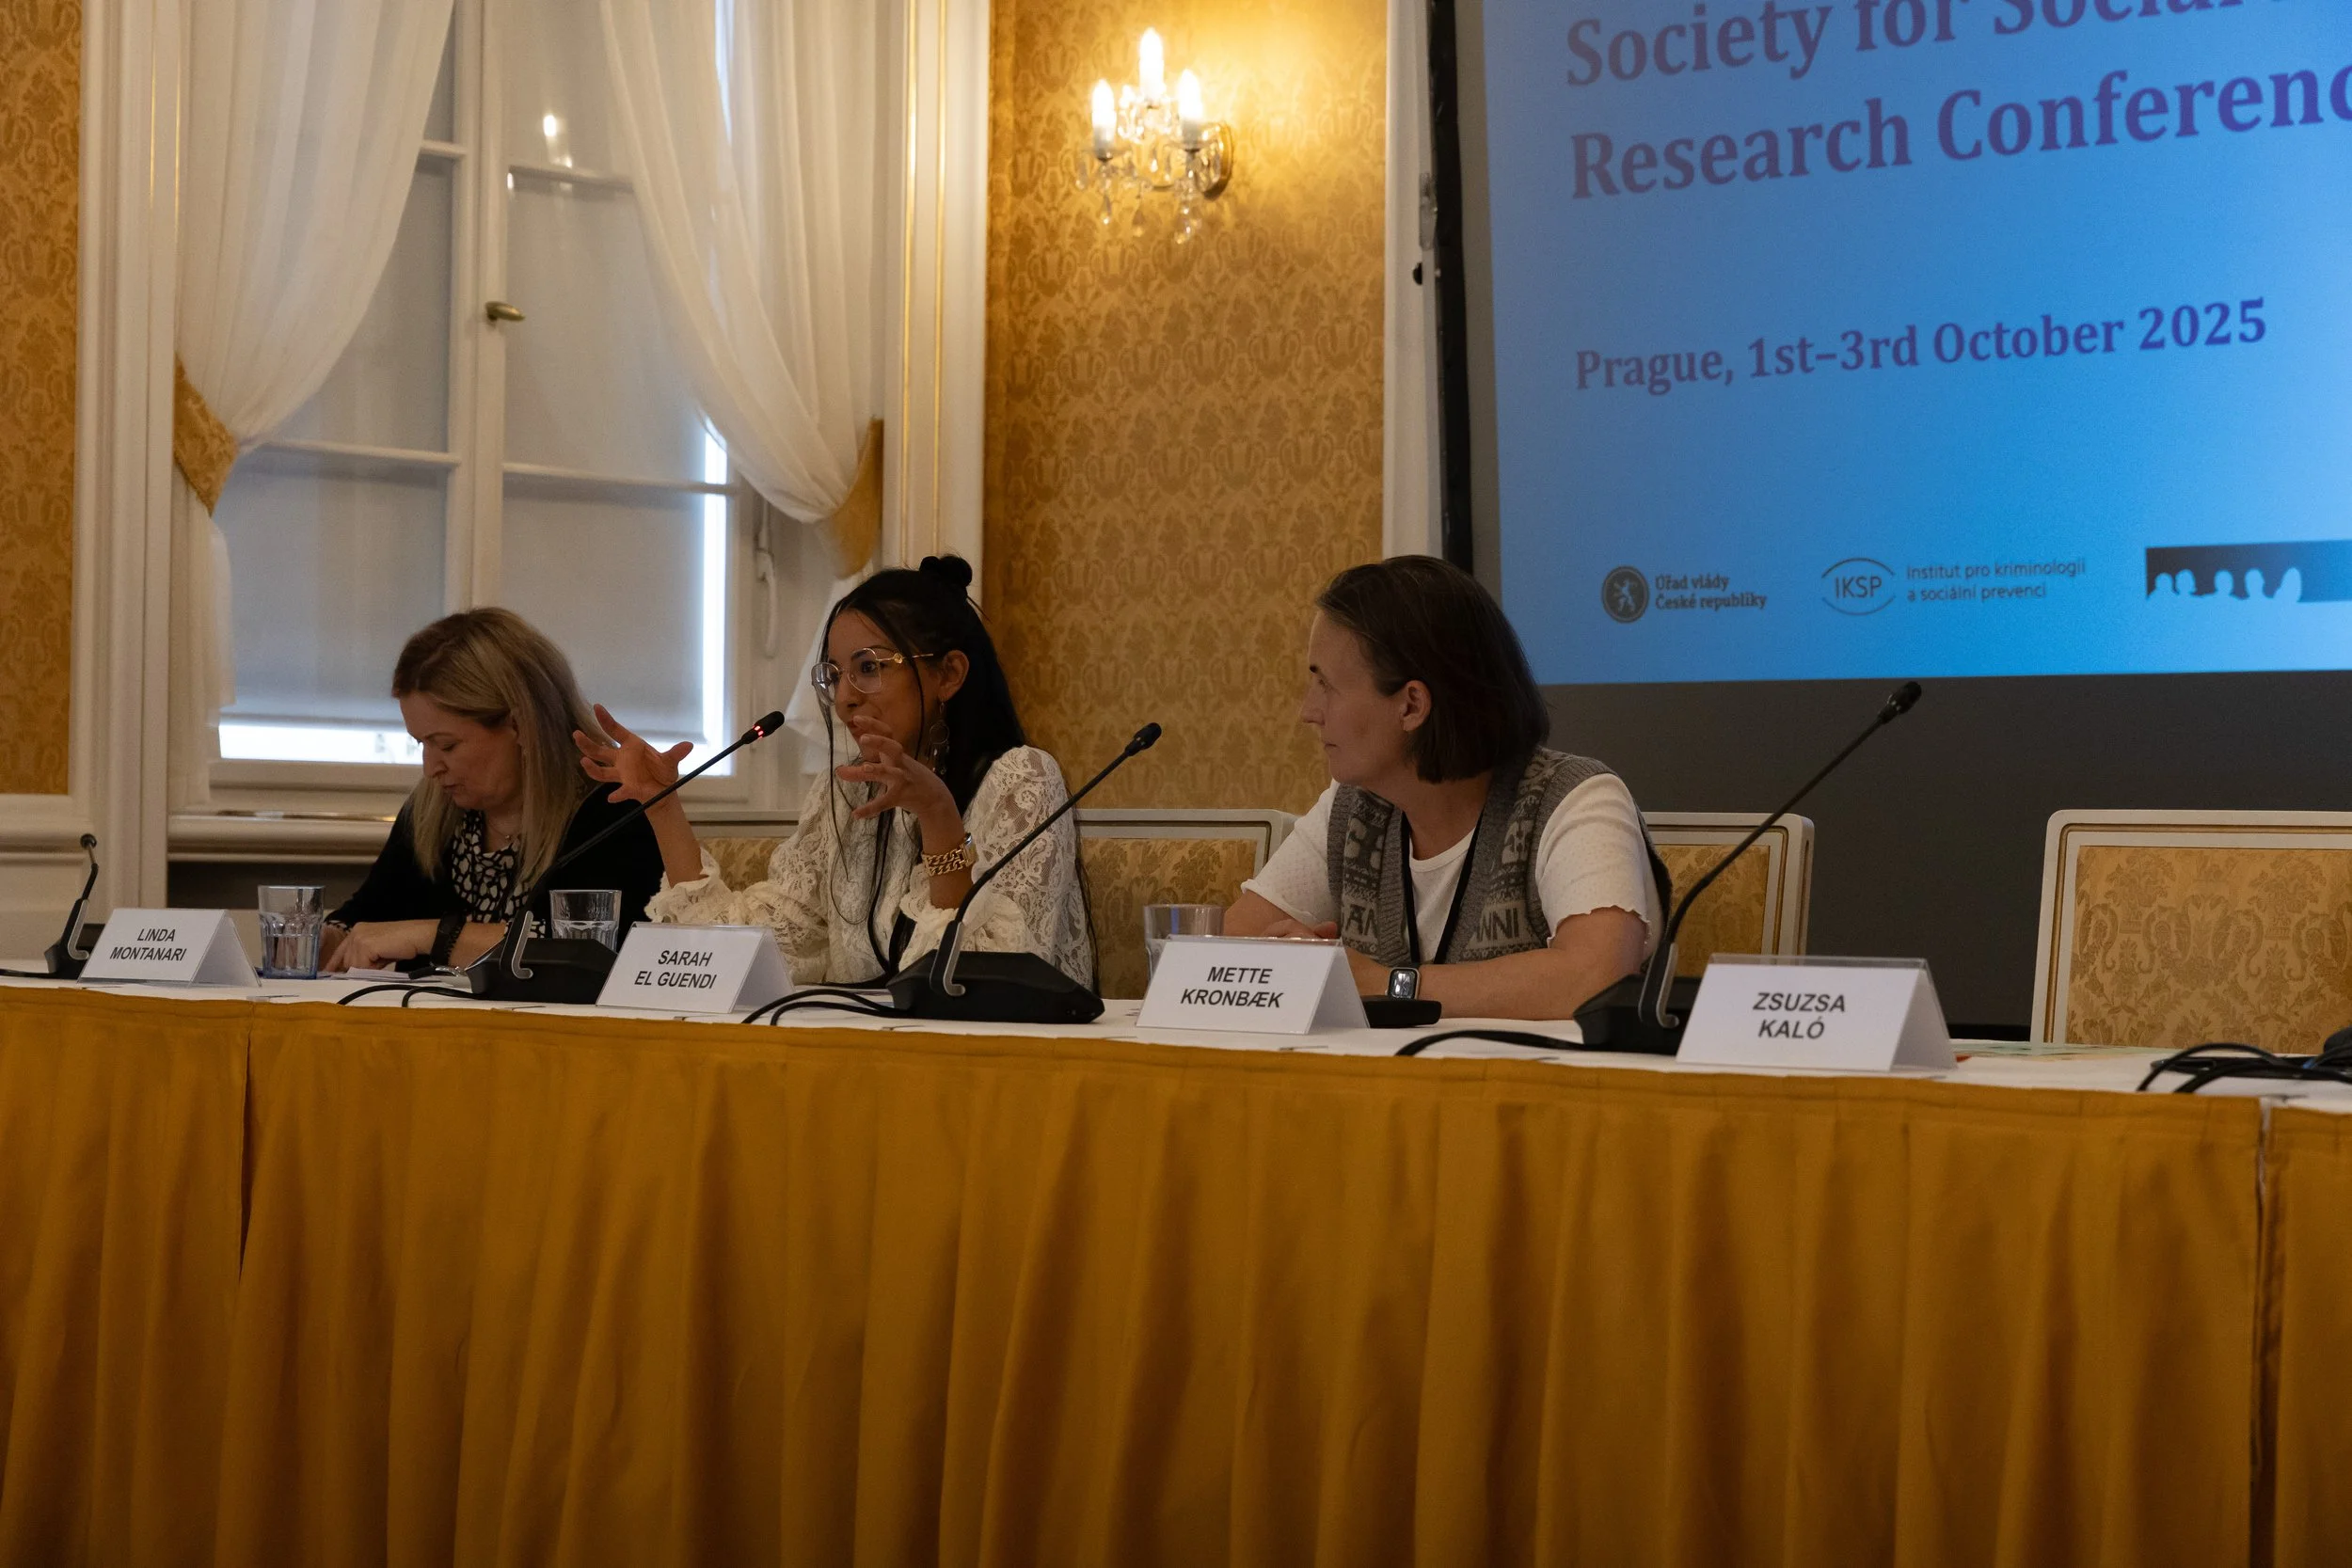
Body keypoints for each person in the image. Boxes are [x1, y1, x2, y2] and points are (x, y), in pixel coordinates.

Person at [580, 555, 1093, 987]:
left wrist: (938, 815)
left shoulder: (1022, 780)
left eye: (869, 667)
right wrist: (665, 808)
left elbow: (977, 979)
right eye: (834, 675)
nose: (845, 697)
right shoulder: (846, 795)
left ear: (950, 674)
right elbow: (746, 951)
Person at [1227, 557, 1666, 1020]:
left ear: (1411, 705)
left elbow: (1596, 978)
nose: (1308, 712)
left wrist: (1382, 984)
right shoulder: (1354, 809)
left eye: (1326, 685)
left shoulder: (1575, 799)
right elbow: (1217, 953)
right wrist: (1284, 960)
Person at [323, 608, 666, 973]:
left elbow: (588, 953)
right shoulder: (435, 811)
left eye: (447, 745)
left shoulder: (611, 810)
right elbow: (367, 917)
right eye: (420, 744)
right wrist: (325, 940)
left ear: (519, 725)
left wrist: (434, 936)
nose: (430, 768)